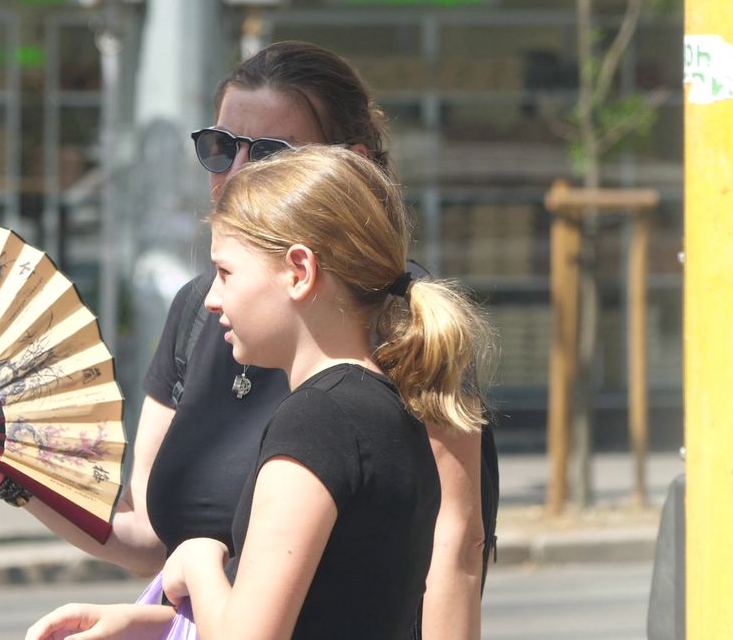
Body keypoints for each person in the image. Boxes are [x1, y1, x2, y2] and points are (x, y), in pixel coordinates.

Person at [0, 41, 497, 639]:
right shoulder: (199, 310)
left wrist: (200, 565)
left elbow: (453, 548)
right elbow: (147, 535)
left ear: (347, 165)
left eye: (268, 154)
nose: (236, 173)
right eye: (220, 149)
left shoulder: (402, 324)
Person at [32, 146, 491, 639]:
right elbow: (334, 609)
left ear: (299, 271)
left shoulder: (317, 421)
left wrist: (199, 559)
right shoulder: (385, 406)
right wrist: (140, 623)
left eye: (225, 273)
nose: (210, 299)